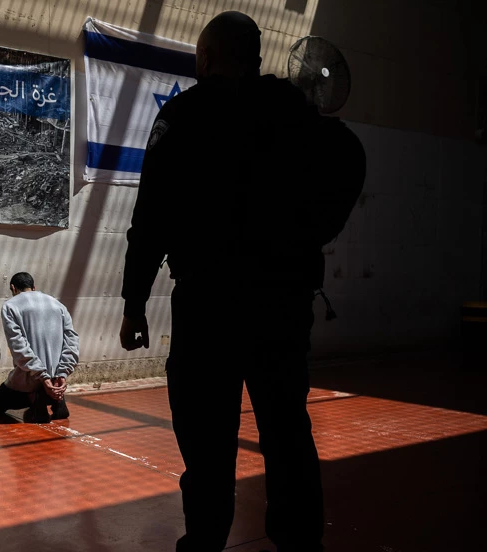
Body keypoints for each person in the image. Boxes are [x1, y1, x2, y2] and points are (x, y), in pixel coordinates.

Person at [118, 11, 364, 552]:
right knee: (286, 430)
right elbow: (348, 156)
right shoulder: (293, 111)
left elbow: (151, 219)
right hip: (282, 304)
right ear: (255, 58)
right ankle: (299, 543)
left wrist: (134, 304)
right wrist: (311, 233)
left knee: (206, 435)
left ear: (206, 57)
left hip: (208, 305)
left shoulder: (184, 115)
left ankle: (206, 540)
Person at [0, 272, 79, 423]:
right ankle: (54, 398)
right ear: (34, 287)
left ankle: (35, 396)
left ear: (13, 288)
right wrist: (62, 374)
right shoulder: (58, 305)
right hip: (56, 380)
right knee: (47, 388)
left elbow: (18, 346)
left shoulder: (10, 306)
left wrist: (42, 377)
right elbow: (72, 341)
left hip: (29, 380)